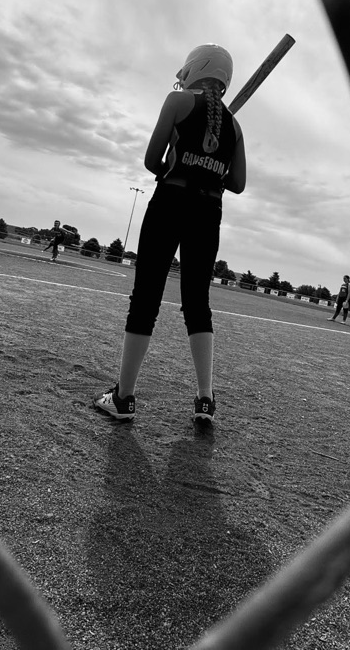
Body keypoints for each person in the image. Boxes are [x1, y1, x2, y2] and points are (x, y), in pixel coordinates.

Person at [93, 43, 246, 424]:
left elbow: (151, 159)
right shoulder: (235, 125)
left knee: (146, 296)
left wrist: (180, 165)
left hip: (170, 201)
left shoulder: (177, 101)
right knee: (197, 302)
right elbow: (238, 184)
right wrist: (210, 163)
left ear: (196, 68)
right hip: (208, 211)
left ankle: (124, 398)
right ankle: (205, 399)